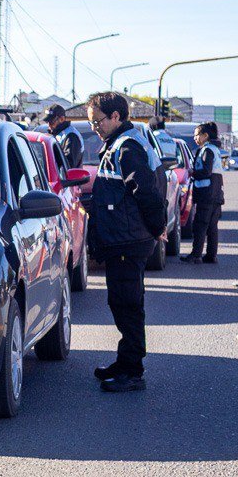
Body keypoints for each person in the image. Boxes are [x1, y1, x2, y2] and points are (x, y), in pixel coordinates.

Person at [85, 92, 167, 393]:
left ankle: (132, 371)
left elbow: (146, 192)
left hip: (128, 242)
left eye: (98, 122)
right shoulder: (119, 143)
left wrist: (158, 227)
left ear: (116, 117)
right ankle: (125, 361)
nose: (95, 128)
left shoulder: (127, 147)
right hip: (122, 240)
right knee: (121, 303)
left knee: (128, 305)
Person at [181, 122, 224, 264]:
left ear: (205, 136)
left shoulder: (207, 151)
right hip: (216, 193)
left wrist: (192, 173)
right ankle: (211, 255)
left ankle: (196, 255)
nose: (195, 138)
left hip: (207, 194)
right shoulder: (215, 149)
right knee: (212, 226)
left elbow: (206, 171)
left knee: (200, 225)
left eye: (196, 135)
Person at [44, 103, 84, 169]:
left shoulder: (71, 136)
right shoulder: (56, 134)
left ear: (62, 119)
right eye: (47, 122)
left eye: (51, 122)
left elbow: (68, 166)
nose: (49, 125)